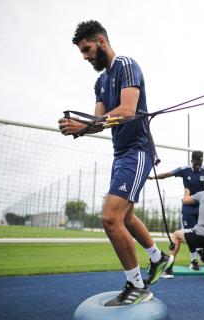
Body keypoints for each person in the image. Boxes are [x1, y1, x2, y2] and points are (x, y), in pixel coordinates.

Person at [58, 20, 172, 306]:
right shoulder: (100, 81)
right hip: (120, 153)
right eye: (82, 52)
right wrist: (80, 125)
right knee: (126, 217)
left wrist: (86, 125)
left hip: (137, 149)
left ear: (100, 41)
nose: (85, 56)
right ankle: (159, 259)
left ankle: (137, 286)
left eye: (87, 49)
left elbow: (127, 110)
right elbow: (99, 121)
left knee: (110, 217)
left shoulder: (125, 64)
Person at [148, 150, 204, 277]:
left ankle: (199, 256)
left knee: (199, 233)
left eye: (200, 164)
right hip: (188, 206)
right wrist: (153, 177)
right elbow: (168, 174)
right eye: (196, 164)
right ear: (192, 161)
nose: (198, 166)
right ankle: (193, 261)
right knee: (187, 232)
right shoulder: (185, 170)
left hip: (202, 207)